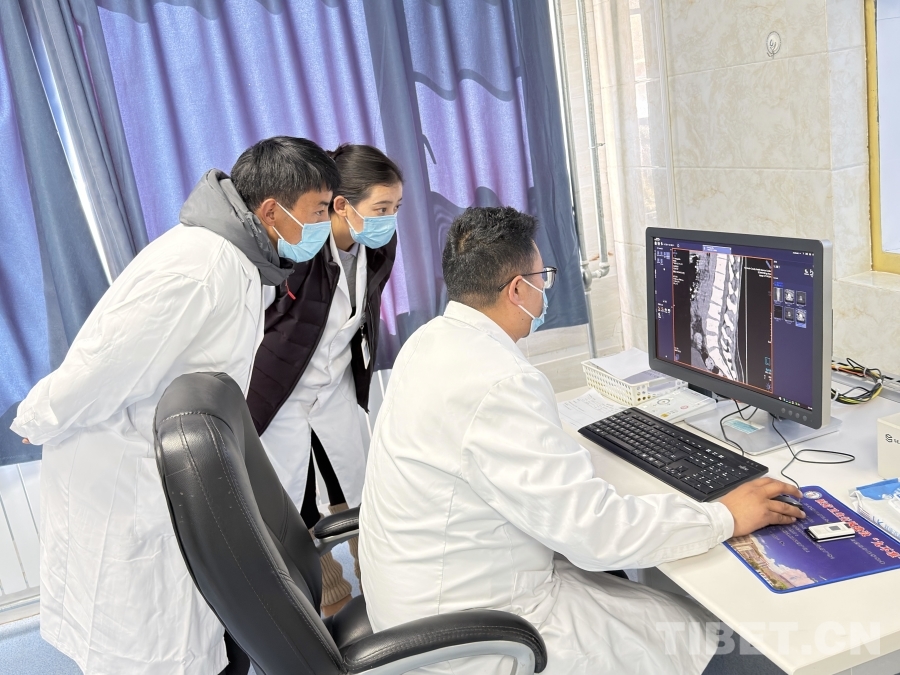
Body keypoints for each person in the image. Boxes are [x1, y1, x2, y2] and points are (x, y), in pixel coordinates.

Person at [358, 206, 805, 675]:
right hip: (481, 635)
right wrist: (724, 516)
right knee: (715, 639)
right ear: (517, 289)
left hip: (418, 604)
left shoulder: (429, 340)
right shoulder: (501, 383)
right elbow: (596, 534)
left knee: (656, 605)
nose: (545, 290)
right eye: (542, 278)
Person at [10, 136, 340, 675]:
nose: (326, 224)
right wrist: (38, 417)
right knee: (150, 641)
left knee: (188, 632)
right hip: (122, 468)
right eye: (319, 211)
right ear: (270, 211)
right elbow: (103, 364)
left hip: (158, 460)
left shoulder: (239, 261)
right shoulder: (200, 266)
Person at [247, 143, 403, 616]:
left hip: (334, 388)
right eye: (381, 208)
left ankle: (384, 595)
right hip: (280, 398)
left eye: (396, 207)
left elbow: (360, 316)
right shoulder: (297, 253)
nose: (391, 219)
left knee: (356, 495)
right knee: (297, 510)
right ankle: (331, 606)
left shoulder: (377, 246)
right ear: (340, 205)